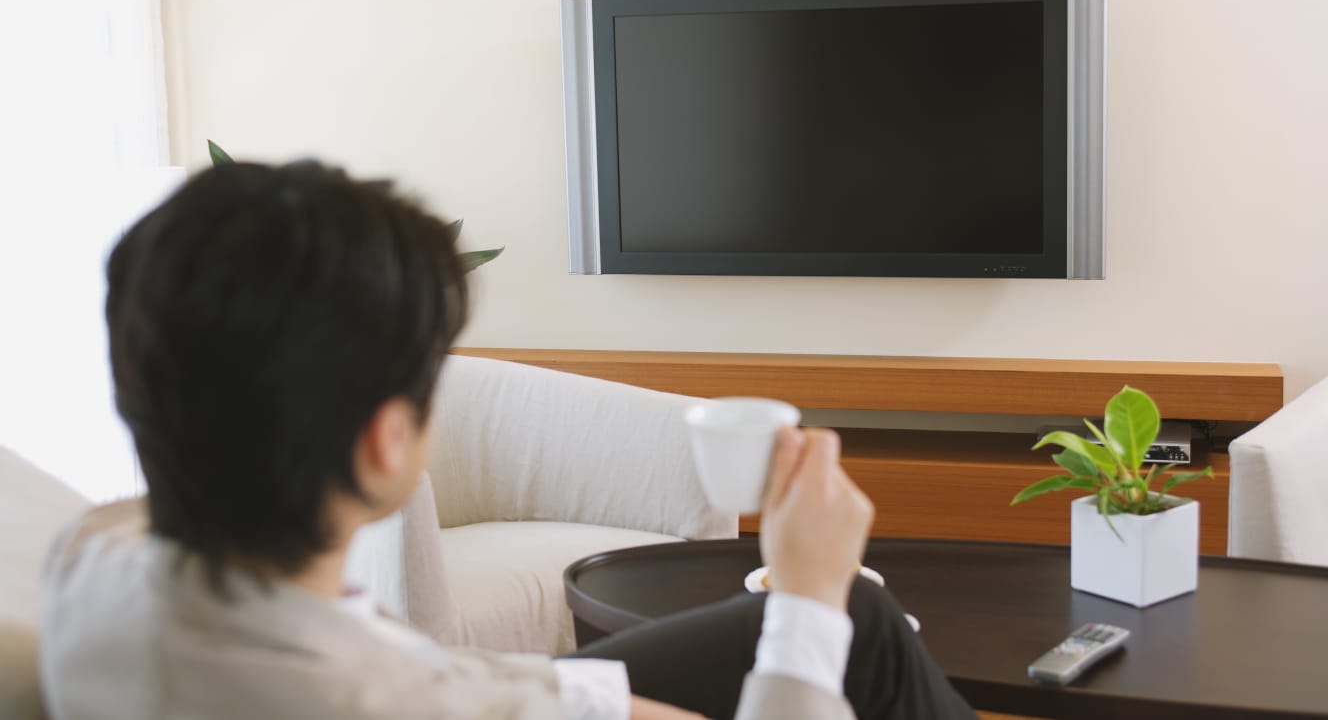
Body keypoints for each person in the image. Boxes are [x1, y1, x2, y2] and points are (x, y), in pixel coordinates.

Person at [40, 161, 977, 720]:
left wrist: (586, 701)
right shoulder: (365, 702)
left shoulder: (91, 560)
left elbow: (412, 672)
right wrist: (806, 587)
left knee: (859, 620)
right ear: (385, 442)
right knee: (839, 616)